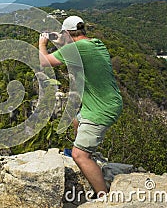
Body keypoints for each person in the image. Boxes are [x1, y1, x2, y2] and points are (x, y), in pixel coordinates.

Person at [38, 15, 123, 197]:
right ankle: (87, 151)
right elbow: (72, 48)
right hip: (106, 102)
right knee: (76, 121)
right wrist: (61, 38)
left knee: (78, 155)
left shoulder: (76, 49)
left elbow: (44, 61)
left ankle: (103, 197)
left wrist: (42, 43)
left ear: (68, 34)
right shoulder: (96, 43)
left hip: (102, 109)